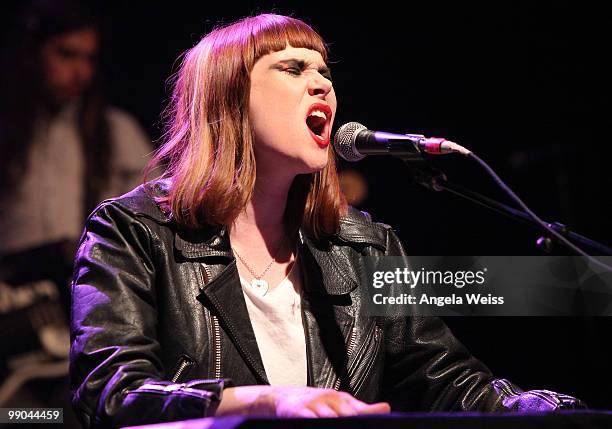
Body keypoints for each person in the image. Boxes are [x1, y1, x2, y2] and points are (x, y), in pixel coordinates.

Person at [69, 13, 585, 428]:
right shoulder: (134, 232)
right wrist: (262, 403)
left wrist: (560, 413)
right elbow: (111, 391)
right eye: (293, 69)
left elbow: (445, 379)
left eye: (326, 74)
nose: (322, 85)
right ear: (228, 98)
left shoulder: (366, 246)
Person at [0, 1, 150, 422]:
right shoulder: (11, 128)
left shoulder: (114, 131)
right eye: (66, 54)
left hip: (73, 313)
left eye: (89, 58)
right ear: (30, 53)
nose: (81, 71)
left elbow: (156, 212)